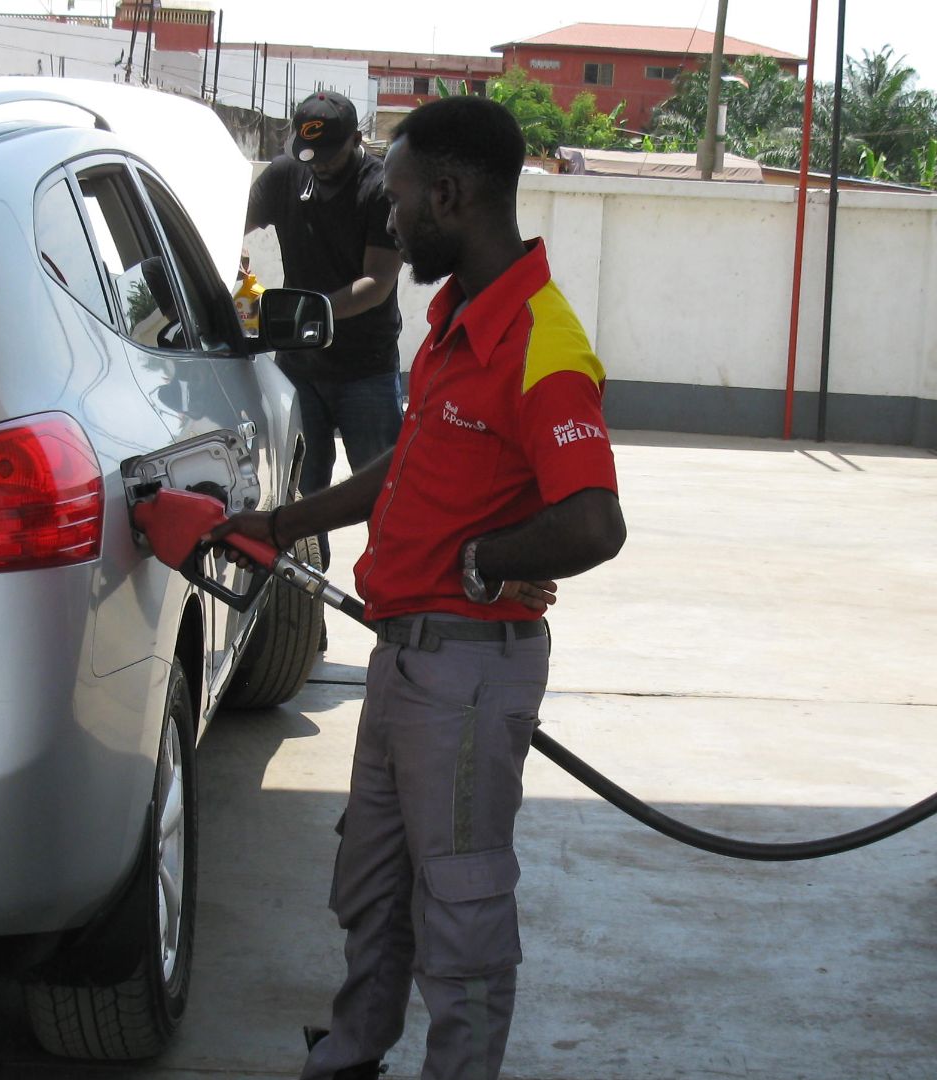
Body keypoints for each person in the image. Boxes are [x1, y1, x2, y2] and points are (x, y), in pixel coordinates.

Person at [208, 95, 627, 1080]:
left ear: (449, 194)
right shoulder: (453, 323)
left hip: (471, 676)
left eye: (396, 201)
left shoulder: (542, 342)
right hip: (404, 664)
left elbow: (594, 520)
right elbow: (403, 471)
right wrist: (280, 525)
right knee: (374, 881)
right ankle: (352, 1056)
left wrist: (490, 559)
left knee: (463, 902)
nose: (387, 221)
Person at [245, 89, 403, 568]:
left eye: (331, 156)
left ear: (357, 139)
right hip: (299, 368)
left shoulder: (380, 188)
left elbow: (377, 281)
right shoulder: (287, 175)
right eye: (309, 155)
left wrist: (307, 313)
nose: (319, 166)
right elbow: (230, 223)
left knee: (389, 496)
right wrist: (221, 257)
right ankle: (304, 615)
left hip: (366, 371)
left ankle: (397, 596)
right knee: (297, 501)